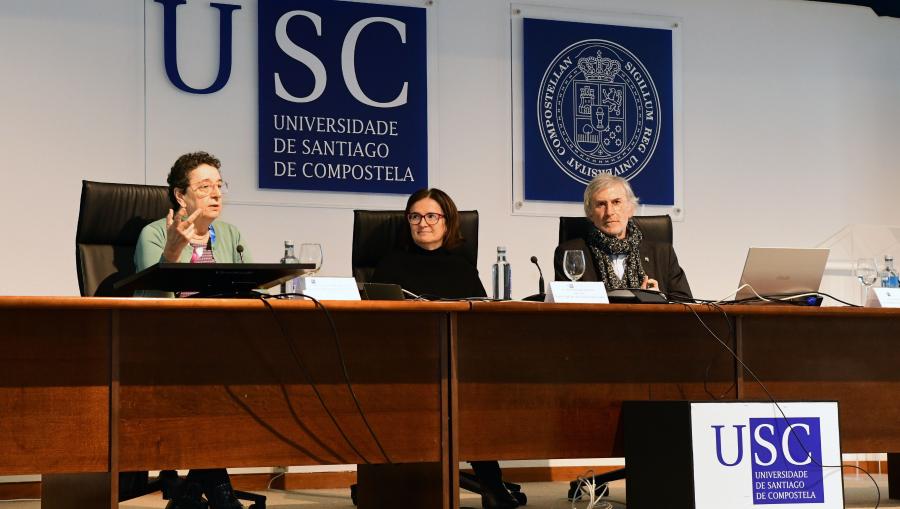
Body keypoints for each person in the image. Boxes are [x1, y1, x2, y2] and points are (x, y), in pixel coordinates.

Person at [372, 188, 520, 509]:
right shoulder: (390, 264)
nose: (422, 223)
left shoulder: (461, 266)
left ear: (447, 221)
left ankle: (492, 486)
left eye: (430, 216)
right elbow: (375, 318)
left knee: (472, 393)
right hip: (402, 362)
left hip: (455, 360)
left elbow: (481, 315)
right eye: (415, 216)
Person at [133, 151, 247, 509]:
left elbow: (243, 290)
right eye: (204, 187)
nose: (215, 194)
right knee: (208, 382)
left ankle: (190, 493)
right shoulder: (154, 234)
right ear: (181, 196)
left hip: (221, 341)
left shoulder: (230, 234)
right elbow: (151, 295)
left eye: (218, 185)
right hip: (168, 341)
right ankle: (219, 492)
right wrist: (173, 250)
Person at [553, 174, 692, 300]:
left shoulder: (663, 253)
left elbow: (687, 307)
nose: (609, 212)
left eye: (616, 202)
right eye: (601, 204)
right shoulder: (569, 253)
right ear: (590, 213)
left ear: (631, 208)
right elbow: (564, 309)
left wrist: (660, 300)